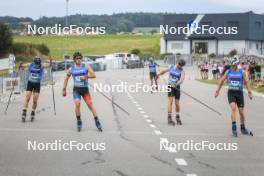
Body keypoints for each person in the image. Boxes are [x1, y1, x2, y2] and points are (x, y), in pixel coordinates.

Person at [62, 52, 102, 132]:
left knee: (90, 105)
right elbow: (66, 78)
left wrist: (86, 76)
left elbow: (93, 75)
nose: (79, 60)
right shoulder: (71, 68)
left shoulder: (86, 66)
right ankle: (79, 121)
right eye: (77, 58)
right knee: (77, 104)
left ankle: (97, 121)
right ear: (74, 60)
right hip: (76, 90)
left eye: (80, 58)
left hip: (85, 90)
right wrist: (64, 89)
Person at [215, 57, 253, 137]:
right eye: (233, 65)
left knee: (241, 112)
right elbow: (222, 80)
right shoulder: (228, 72)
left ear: (237, 64)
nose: (234, 66)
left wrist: (249, 91)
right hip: (231, 93)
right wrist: (217, 91)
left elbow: (246, 82)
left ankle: (243, 128)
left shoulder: (241, 72)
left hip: (239, 93)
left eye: (235, 64)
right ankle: (234, 128)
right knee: (233, 108)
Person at [20, 57, 51, 122]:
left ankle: (33, 112)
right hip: (30, 83)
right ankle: (24, 112)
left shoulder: (42, 65)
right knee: (27, 98)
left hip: (37, 84)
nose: (37, 65)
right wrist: (21, 65)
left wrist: (50, 61)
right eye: (36, 64)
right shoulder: (30, 65)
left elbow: (49, 65)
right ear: (34, 62)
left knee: (35, 100)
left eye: (38, 64)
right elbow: (23, 66)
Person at [156, 59, 186, 126]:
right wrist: (158, 74)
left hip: (176, 87)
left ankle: (177, 117)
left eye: (181, 65)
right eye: (179, 64)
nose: (180, 66)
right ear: (177, 62)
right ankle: (169, 118)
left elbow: (181, 80)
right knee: (170, 101)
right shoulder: (172, 67)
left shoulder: (182, 71)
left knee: (177, 103)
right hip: (170, 86)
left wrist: (176, 84)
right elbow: (164, 71)